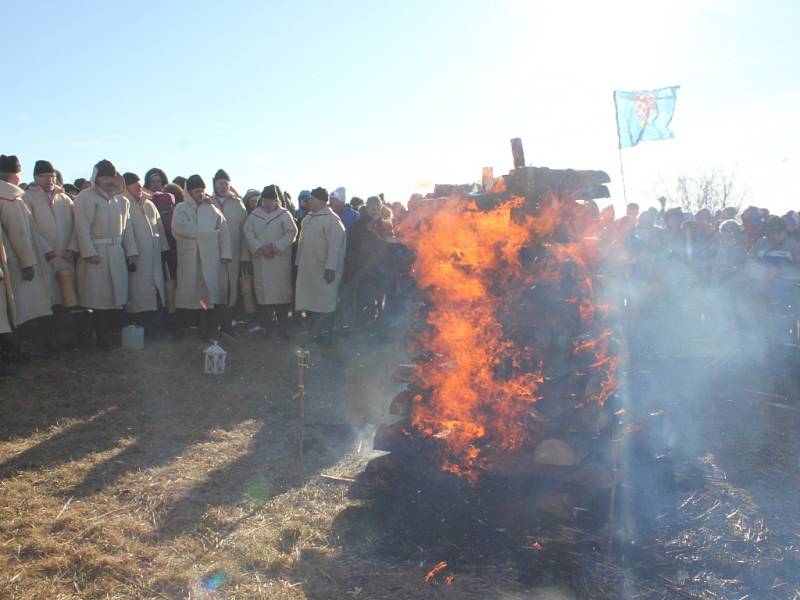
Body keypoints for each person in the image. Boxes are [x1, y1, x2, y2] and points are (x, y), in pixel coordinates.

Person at [73, 159, 138, 350]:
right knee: (97, 299)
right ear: (96, 178)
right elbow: (81, 227)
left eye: (111, 176)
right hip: (96, 253)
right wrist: (88, 252)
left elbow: (128, 229)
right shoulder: (85, 198)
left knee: (115, 298)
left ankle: (112, 333)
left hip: (116, 252)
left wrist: (131, 251)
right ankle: (100, 337)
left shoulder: (122, 200)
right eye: (104, 176)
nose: (108, 180)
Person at [23, 159, 80, 350]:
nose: (49, 179)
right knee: (47, 300)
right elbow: (30, 228)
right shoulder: (27, 198)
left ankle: (67, 338)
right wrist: (46, 250)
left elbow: (75, 226)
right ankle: (48, 341)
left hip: (65, 256)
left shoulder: (65, 199)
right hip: (44, 258)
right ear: (36, 177)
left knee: (67, 299)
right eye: (45, 176)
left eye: (52, 175)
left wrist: (72, 248)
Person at [0, 155, 54, 355]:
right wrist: (27, 262)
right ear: (15, 175)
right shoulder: (10, 196)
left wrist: (45, 248)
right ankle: (21, 348)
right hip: (15, 262)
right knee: (21, 309)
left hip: (10, 259)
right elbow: (19, 232)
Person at [171, 174, 231, 339]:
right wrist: (207, 233)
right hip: (189, 259)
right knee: (186, 296)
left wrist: (226, 253)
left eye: (203, 191)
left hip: (209, 260)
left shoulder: (212, 210)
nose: (201, 194)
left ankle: (205, 330)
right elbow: (179, 229)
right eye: (197, 191)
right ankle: (181, 329)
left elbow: (223, 231)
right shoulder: (181, 209)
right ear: (189, 192)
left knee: (206, 297)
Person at [243, 185, 298, 338]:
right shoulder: (254, 215)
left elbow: (292, 232)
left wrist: (275, 246)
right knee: (264, 297)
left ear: (277, 201)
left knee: (282, 296)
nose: (268, 203)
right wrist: (260, 248)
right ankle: (267, 328)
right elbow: (248, 233)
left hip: (279, 259)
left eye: (271, 200)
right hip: (261, 259)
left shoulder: (284, 215)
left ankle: (283, 329)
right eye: (265, 200)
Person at [295, 186, 346, 345]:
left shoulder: (332, 221)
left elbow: (335, 246)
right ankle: (314, 333)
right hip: (308, 269)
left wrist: (330, 268)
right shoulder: (308, 218)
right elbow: (301, 244)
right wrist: (297, 262)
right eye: (309, 199)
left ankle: (327, 336)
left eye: (312, 199)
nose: (309, 201)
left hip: (324, 270)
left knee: (326, 303)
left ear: (322, 201)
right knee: (312, 302)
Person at [123, 173, 169, 338]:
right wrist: (131, 251)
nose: (139, 187)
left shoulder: (149, 204)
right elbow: (125, 230)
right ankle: (139, 330)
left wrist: (164, 249)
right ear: (126, 187)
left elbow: (159, 229)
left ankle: (154, 329)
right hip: (136, 258)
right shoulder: (123, 204)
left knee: (155, 293)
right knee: (138, 295)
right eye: (134, 184)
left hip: (155, 256)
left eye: (139, 183)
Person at [210, 169, 247, 336]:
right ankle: (213, 324)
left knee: (231, 287)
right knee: (216, 286)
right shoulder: (208, 202)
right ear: (214, 184)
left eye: (225, 183)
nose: (223, 186)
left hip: (233, 251)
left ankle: (227, 324)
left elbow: (245, 228)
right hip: (213, 252)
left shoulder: (238, 204)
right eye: (220, 183)